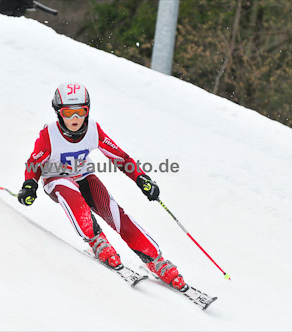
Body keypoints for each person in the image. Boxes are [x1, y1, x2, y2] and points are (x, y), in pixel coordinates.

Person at [17, 82, 187, 291]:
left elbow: (120, 157)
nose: (74, 119)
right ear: (58, 113)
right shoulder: (49, 135)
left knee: (114, 212)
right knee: (73, 198)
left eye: (80, 112)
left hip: (83, 175)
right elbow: (34, 163)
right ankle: (96, 240)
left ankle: (154, 258)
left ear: (87, 111)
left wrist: (142, 178)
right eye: (68, 113)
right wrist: (29, 185)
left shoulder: (93, 130)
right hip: (56, 179)